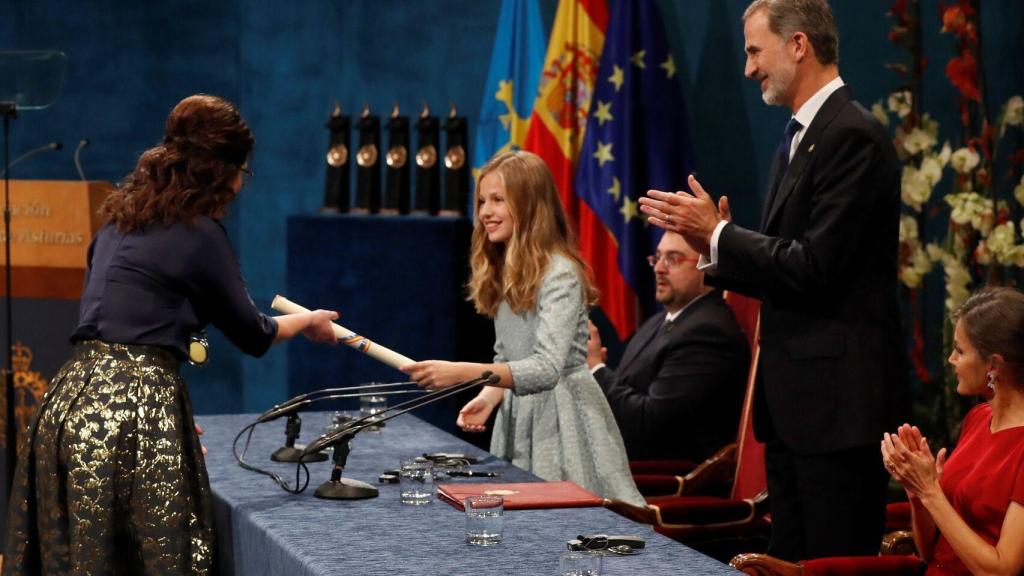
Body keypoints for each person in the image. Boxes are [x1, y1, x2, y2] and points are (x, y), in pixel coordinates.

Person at [3, 94, 339, 575]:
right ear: (222, 171)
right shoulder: (200, 235)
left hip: (64, 404)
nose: (242, 183)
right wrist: (307, 321)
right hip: (135, 407)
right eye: (243, 170)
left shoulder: (117, 224)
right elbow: (254, 334)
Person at [638, 0, 909, 560]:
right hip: (796, 414)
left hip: (836, 416)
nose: (747, 68)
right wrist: (713, 248)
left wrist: (720, 234)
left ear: (799, 45)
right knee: (786, 561)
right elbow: (787, 266)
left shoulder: (851, 135)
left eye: (754, 51)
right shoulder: (800, 137)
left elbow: (814, 267)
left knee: (828, 564)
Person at [401, 150, 645, 506]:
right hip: (519, 414)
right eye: (483, 201)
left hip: (563, 419)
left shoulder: (560, 272)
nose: (486, 212)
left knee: (564, 521)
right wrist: (489, 395)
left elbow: (546, 369)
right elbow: (509, 355)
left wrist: (461, 373)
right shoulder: (504, 271)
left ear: (530, 205)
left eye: (498, 200)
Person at [882, 287, 1024, 576]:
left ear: (993, 365)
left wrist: (930, 491)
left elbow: (1001, 570)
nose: (950, 359)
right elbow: (929, 551)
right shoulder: (977, 418)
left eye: (960, 350)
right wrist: (916, 491)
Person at [586, 231, 748, 462]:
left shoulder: (708, 334)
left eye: (673, 259)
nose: (658, 268)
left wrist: (596, 370)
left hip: (660, 481)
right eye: (658, 257)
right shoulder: (661, 320)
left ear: (708, 268)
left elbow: (648, 423)